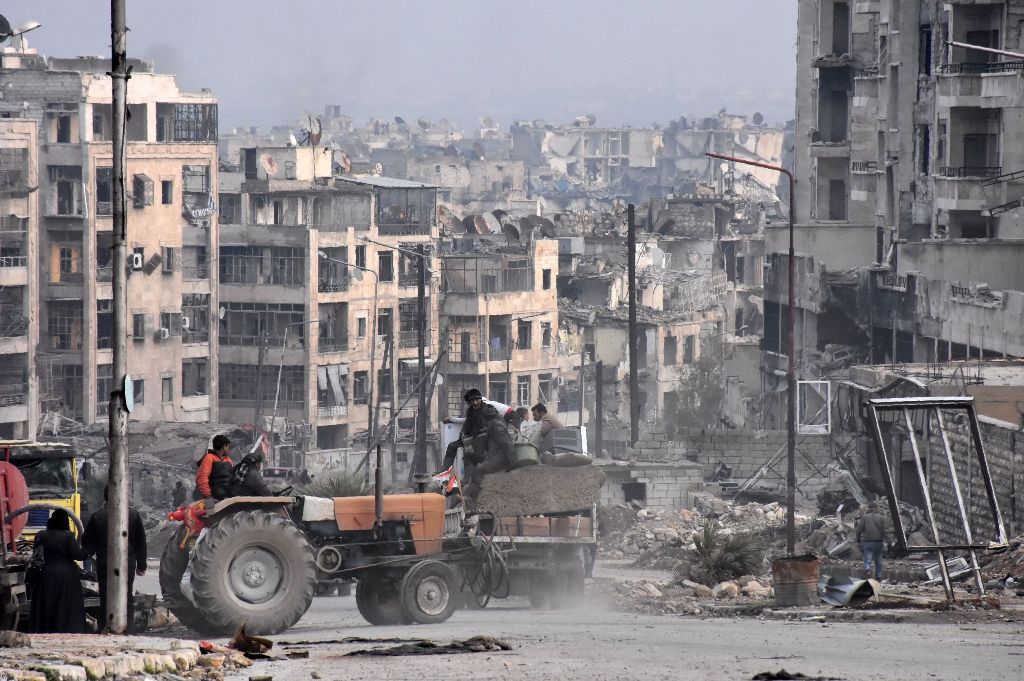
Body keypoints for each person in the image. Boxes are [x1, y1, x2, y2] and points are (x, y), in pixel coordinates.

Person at [81, 489, 148, 632]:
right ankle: (128, 628)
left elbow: (86, 541)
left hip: (105, 562)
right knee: (127, 595)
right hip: (127, 562)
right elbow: (140, 543)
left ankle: (106, 627)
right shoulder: (133, 515)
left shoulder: (97, 517)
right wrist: (142, 565)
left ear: (105, 497)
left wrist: (89, 551)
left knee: (106, 596)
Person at [29, 509, 87, 633]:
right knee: (64, 603)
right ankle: (63, 628)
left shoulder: (40, 535)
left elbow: (36, 556)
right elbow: (78, 555)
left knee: (47, 603)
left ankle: (46, 630)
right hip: (66, 575)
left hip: (45, 573)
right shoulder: (68, 536)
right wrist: (90, 549)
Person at [463, 404, 515, 498]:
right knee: (469, 456)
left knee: (479, 469)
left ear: (485, 418)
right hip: (491, 455)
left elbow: (508, 446)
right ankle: (468, 484)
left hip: (499, 458)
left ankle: (475, 495)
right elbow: (489, 430)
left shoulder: (497, 427)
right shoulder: (494, 423)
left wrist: (511, 466)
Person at [441, 388, 488, 472]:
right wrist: (463, 434)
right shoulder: (470, 411)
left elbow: (490, 426)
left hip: (483, 438)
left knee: (469, 452)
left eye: (477, 400)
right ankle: (445, 472)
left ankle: (469, 477)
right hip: (470, 438)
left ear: (480, 399)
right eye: (472, 400)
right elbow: (466, 424)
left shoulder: (487, 409)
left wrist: (477, 435)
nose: (475, 402)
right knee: (452, 446)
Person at [195, 434, 234, 502]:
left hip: (226, 498)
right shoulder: (209, 458)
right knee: (210, 509)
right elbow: (202, 477)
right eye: (228, 446)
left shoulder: (229, 460)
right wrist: (208, 498)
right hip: (211, 497)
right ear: (224, 446)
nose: (228, 449)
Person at [855, 501, 887, 581]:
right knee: (878, 560)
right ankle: (878, 576)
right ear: (876, 508)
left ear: (869, 508)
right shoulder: (881, 517)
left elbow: (859, 529)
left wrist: (858, 539)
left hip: (868, 542)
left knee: (868, 557)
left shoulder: (864, 517)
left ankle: (867, 569)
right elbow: (885, 531)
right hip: (879, 542)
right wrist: (889, 542)